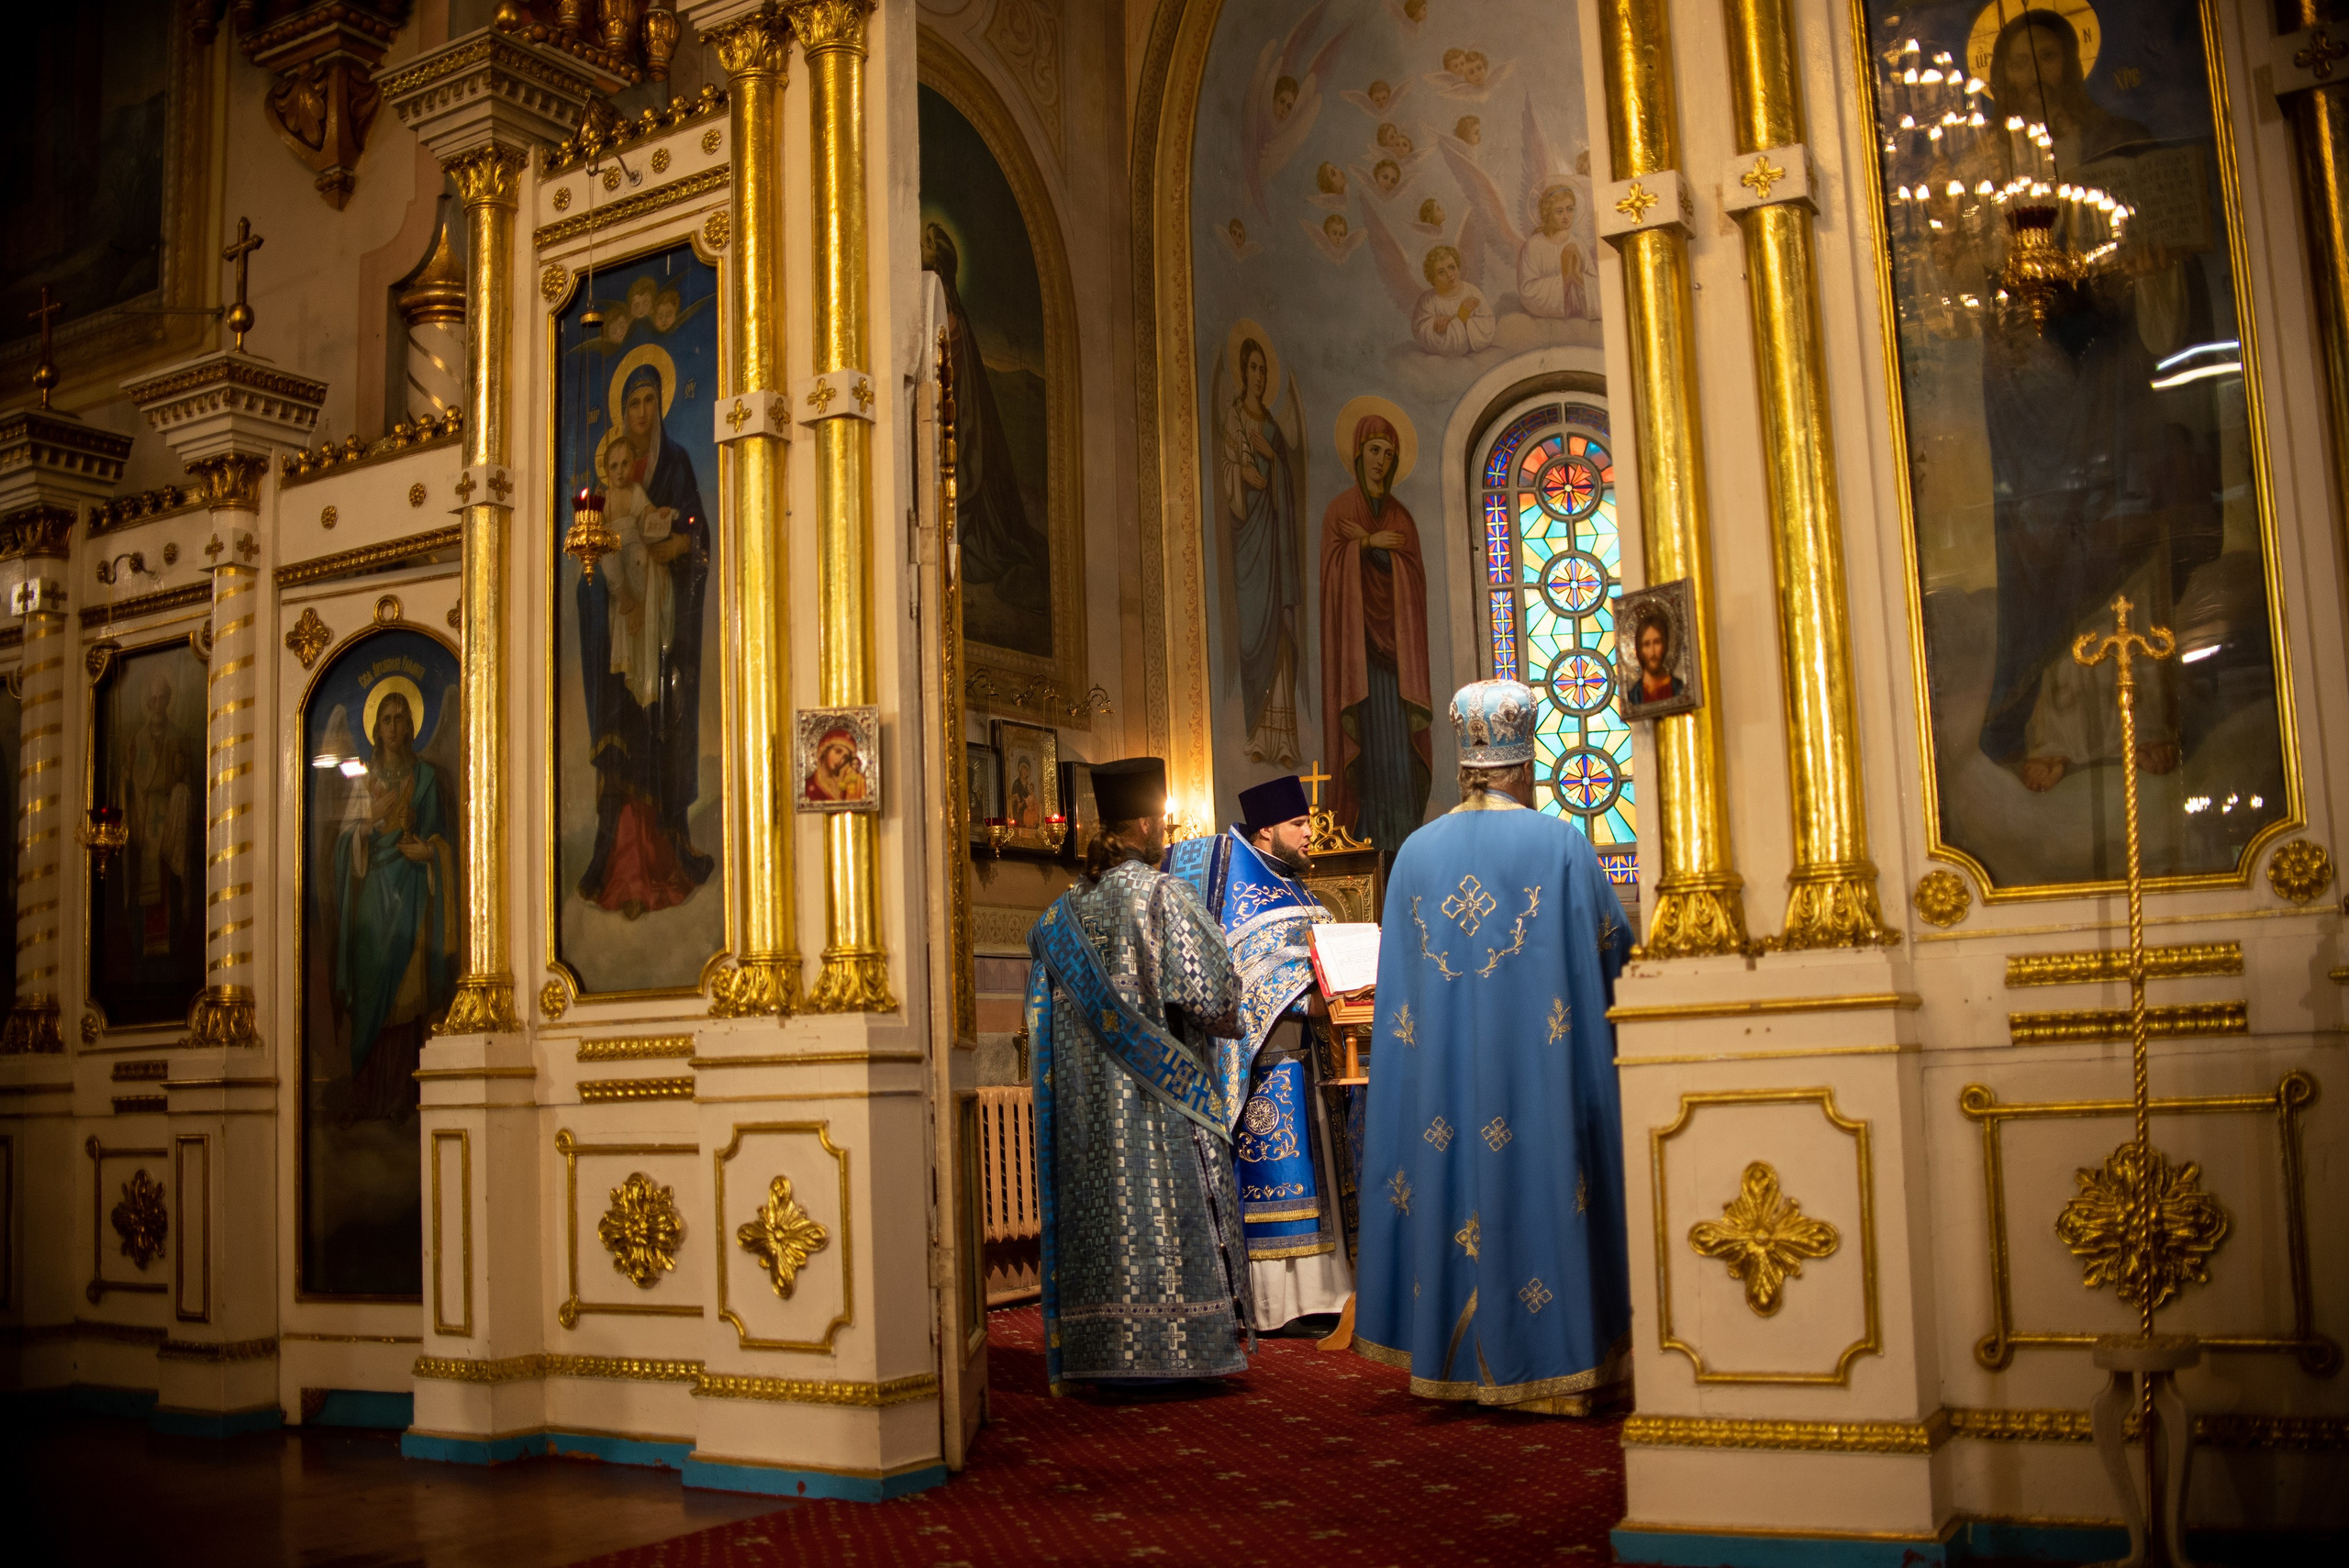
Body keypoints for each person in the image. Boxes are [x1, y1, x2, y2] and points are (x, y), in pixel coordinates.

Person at [1354, 680, 1632, 1413]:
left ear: (1464, 760)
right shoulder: (1561, 844)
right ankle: (1552, 1365)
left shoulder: (1413, 855)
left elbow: (1400, 999)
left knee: (1451, 1173)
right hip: (1537, 1072)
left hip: (1442, 1080)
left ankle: (1449, 1366)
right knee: (1547, 1178)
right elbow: (1616, 952)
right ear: (1525, 759)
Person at [1026, 757, 1253, 1392]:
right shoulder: (1163, 896)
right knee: (1162, 1213)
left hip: (1086, 1117)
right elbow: (1215, 999)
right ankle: (1178, 1345)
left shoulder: (1058, 918)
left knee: (1106, 1216)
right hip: (1160, 1115)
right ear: (1152, 824)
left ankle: (1101, 1345)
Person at [1163, 774, 1354, 1335]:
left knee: (1317, 1179)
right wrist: (1302, 998)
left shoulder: (1300, 890)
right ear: (1266, 830)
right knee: (1278, 1174)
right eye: (1298, 825)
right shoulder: (1238, 885)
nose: (1308, 835)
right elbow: (1243, 975)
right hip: (1266, 1064)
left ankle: (1327, 1293)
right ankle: (1276, 1304)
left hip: (1312, 1059)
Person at [576, 354, 714, 917]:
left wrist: (679, 548)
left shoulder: (675, 463)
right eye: (631, 403)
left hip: (665, 629)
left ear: (660, 404)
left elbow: (694, 534)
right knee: (623, 739)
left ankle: (668, 855)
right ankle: (617, 862)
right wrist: (612, 588)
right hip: (620, 630)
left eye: (649, 400)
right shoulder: (607, 485)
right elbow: (591, 561)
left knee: (664, 731)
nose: (640, 411)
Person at [332, 688, 457, 1123]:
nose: (393, 726)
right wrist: (367, 826)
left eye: (400, 718)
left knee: (407, 996)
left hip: (411, 891)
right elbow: (345, 842)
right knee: (371, 991)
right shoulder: (362, 780)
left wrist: (431, 855)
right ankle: (367, 1091)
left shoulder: (426, 778)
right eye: (385, 718)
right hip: (373, 899)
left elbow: (444, 837)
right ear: (375, 727)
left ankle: (403, 1096)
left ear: (411, 726)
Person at [1319, 411, 1433, 852]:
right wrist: (1364, 545)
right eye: (1374, 451)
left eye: (1389, 453)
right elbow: (1332, 578)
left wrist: (1379, 548)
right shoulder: (1339, 510)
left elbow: (1414, 582)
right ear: (1358, 453)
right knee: (1365, 754)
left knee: (1398, 759)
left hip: (1397, 664)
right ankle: (1364, 845)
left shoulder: (1402, 518)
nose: (1381, 461)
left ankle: (1402, 846)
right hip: (1358, 660)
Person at [1220, 330, 1304, 766]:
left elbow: (1284, 482)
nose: (1258, 375)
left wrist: (1271, 459)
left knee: (1279, 634)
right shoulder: (1234, 419)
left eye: (1263, 369)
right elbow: (1227, 468)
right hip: (1248, 541)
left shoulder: (1270, 426)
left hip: (1274, 542)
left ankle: (1283, 740)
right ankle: (1255, 735)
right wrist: (1243, 475)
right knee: (1253, 628)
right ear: (1241, 372)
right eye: (1252, 368)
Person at [1409, 244, 1493, 356]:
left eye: (1451, 267)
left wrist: (1459, 321)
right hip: (1442, 361)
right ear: (1433, 277)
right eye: (1441, 272)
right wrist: (1436, 324)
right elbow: (1421, 332)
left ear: (1457, 267)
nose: (1449, 274)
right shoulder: (1427, 301)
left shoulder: (1472, 292)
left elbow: (1488, 324)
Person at [1629, 607, 1684, 706]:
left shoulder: (1678, 688)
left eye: (1657, 642)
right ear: (1639, 650)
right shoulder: (1634, 696)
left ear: (1665, 645)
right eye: (1646, 644)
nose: (1652, 652)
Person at [802, 726, 868, 803]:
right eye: (838, 751)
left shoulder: (847, 786)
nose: (840, 760)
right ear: (824, 750)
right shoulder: (807, 786)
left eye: (845, 757)